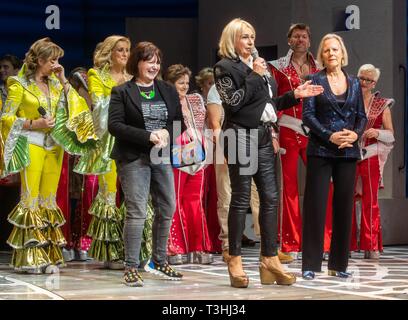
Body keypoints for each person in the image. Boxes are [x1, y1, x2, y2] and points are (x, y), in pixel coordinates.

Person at [214, 18, 323, 288]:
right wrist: (253, 73)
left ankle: (269, 260)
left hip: (263, 136)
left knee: (271, 198)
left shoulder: (259, 68)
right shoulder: (225, 67)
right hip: (239, 135)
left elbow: (268, 104)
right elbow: (235, 103)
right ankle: (235, 259)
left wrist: (294, 95)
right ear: (232, 40)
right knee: (240, 198)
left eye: (252, 36)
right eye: (245, 37)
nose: (251, 42)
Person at [0, 37, 97, 273]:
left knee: (48, 200)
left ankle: (47, 255)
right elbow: (6, 117)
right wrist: (35, 123)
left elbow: (78, 107)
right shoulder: (18, 84)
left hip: (55, 147)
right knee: (30, 199)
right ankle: (29, 258)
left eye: (58, 60)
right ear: (39, 60)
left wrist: (64, 79)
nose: (56, 64)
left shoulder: (57, 85)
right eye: (53, 60)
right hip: (31, 143)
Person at [108, 41, 183, 286]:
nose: (154, 65)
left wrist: (166, 132)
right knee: (137, 211)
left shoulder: (167, 90)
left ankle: (159, 261)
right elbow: (115, 126)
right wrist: (148, 136)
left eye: (157, 61)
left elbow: (178, 121)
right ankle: (131, 267)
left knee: (168, 206)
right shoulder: (122, 91)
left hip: (160, 155)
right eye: (149, 60)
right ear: (137, 63)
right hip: (133, 157)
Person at [301, 34, 367, 280]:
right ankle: (310, 264)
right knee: (315, 207)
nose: (331, 54)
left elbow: (362, 116)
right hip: (321, 149)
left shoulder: (355, 82)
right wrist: (330, 136)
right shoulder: (313, 79)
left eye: (335, 49)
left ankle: (339, 264)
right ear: (322, 54)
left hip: (348, 150)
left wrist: (355, 134)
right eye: (326, 50)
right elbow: (308, 116)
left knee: (344, 208)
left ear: (342, 53)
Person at [206, 84, 293, 264]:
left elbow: (267, 115)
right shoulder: (219, 87)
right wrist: (225, 149)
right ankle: (228, 246)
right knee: (228, 195)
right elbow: (214, 122)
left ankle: (267, 247)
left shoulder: (258, 84)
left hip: (256, 141)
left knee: (259, 195)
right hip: (229, 142)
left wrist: (273, 137)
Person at [269, 23, 333, 259]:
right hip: (287, 129)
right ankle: (290, 243)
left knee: (323, 185)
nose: (300, 40)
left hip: (315, 132)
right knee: (288, 188)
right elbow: (273, 101)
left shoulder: (320, 67)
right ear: (289, 40)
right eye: (296, 36)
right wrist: (273, 132)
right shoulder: (276, 68)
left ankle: (324, 243)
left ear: (309, 40)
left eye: (304, 36)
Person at [74, 35, 132, 269]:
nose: (125, 54)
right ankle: (110, 252)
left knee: (134, 196)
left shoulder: (132, 77)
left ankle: (133, 248)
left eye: (128, 50)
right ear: (110, 52)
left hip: (132, 142)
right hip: (108, 142)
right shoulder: (97, 75)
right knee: (109, 195)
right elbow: (99, 107)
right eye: (120, 50)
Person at [164, 64, 213, 265]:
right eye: (179, 82)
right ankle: (175, 247)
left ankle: (198, 246)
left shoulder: (195, 99)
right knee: (175, 199)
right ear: (170, 83)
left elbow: (204, 124)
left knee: (195, 199)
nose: (184, 86)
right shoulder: (165, 101)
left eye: (186, 82)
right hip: (176, 149)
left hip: (198, 149)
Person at [350, 64, 394, 259]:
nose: (364, 83)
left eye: (369, 80)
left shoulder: (382, 104)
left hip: (371, 155)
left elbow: (391, 134)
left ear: (374, 83)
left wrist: (377, 132)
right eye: (361, 78)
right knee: (346, 201)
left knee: (370, 201)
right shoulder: (348, 100)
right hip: (349, 155)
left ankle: (371, 244)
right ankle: (348, 244)